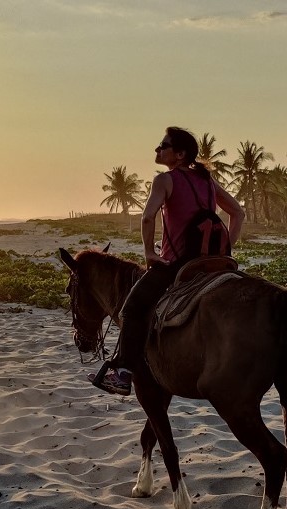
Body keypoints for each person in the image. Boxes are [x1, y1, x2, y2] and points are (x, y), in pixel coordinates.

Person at [91, 127, 246, 395]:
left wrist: (149, 253)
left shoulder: (165, 180)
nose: (157, 149)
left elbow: (147, 217)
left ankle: (123, 374)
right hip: (214, 262)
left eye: (163, 146)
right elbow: (238, 213)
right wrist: (226, 249)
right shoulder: (207, 181)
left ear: (180, 154)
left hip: (178, 264)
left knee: (131, 309)